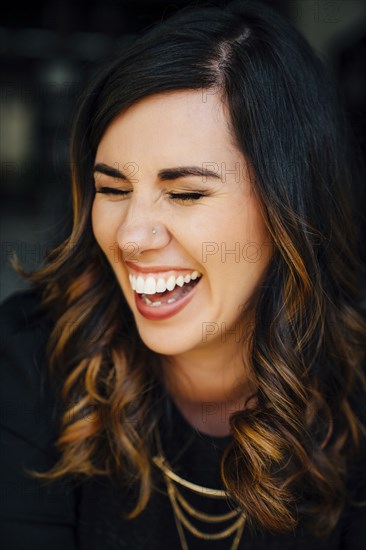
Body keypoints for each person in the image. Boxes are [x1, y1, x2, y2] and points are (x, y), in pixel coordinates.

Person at [1, 1, 366, 548]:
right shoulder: (31, 359)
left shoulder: (354, 399)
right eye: (113, 189)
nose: (130, 236)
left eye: (186, 193)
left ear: (289, 209)